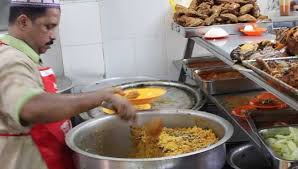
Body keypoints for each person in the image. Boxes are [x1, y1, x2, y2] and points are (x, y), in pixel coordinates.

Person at [0, 0, 136, 169]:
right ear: (23, 22)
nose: (53, 35)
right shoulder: (9, 59)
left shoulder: (24, 56)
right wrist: (101, 96)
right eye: (48, 27)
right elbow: (31, 106)